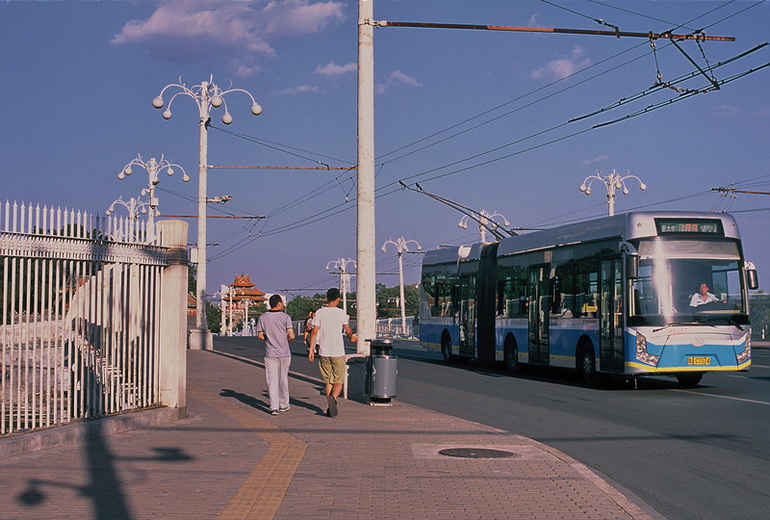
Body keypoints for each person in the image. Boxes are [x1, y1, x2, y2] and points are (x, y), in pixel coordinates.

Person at [307, 288, 357, 417]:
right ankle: (333, 399)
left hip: (323, 351)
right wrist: (351, 337)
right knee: (339, 380)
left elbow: (314, 331)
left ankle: (330, 407)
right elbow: (348, 330)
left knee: (328, 380)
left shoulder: (319, 312)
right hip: (337, 351)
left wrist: (311, 350)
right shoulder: (341, 313)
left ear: (326, 299)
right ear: (338, 300)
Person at [256, 294, 296, 415]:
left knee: (271, 379)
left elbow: (260, 335)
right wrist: (285, 339)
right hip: (284, 353)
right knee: (283, 378)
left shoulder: (262, 317)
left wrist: (270, 339)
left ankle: (274, 407)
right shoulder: (286, 317)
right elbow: (292, 335)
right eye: (282, 303)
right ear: (278, 303)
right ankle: (284, 404)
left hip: (270, 352)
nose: (283, 305)